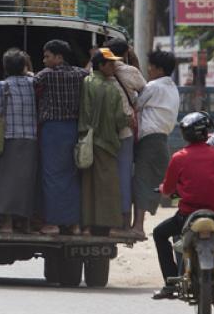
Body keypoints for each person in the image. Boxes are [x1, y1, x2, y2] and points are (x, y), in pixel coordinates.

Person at [152, 112, 214, 300]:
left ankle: (170, 283)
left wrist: (164, 189)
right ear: (207, 133)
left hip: (187, 214)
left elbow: (168, 189)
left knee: (159, 233)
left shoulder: (178, 157)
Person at [33, 39, 88, 235]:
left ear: (59, 57)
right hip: (73, 129)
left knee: (52, 176)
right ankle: (73, 224)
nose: (44, 60)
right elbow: (88, 71)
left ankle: (53, 223)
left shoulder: (45, 75)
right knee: (71, 176)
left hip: (53, 131)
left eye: (47, 56)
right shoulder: (80, 74)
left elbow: (30, 83)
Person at [0, 48, 37, 233]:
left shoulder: (0, 86)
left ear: (5, 68)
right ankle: (26, 222)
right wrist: (29, 66)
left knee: (6, 181)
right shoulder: (34, 83)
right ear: (24, 66)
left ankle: (7, 223)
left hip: (7, 139)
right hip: (31, 138)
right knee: (28, 180)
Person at [78, 48, 128, 236]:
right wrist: (128, 120)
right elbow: (118, 119)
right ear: (101, 65)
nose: (114, 66)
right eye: (111, 63)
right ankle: (111, 226)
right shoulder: (111, 89)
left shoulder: (86, 82)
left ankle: (87, 227)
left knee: (87, 186)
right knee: (108, 187)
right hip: (106, 144)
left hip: (86, 142)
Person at [131, 50, 181, 237]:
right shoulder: (172, 88)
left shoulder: (153, 87)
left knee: (141, 182)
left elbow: (135, 104)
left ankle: (137, 227)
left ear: (159, 69)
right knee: (154, 183)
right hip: (162, 141)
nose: (149, 69)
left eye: (151, 66)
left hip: (149, 141)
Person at [101, 39, 146, 227]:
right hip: (125, 132)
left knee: (102, 175)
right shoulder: (130, 72)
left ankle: (102, 217)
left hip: (101, 133)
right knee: (124, 175)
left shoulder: (98, 69)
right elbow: (144, 91)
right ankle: (124, 220)